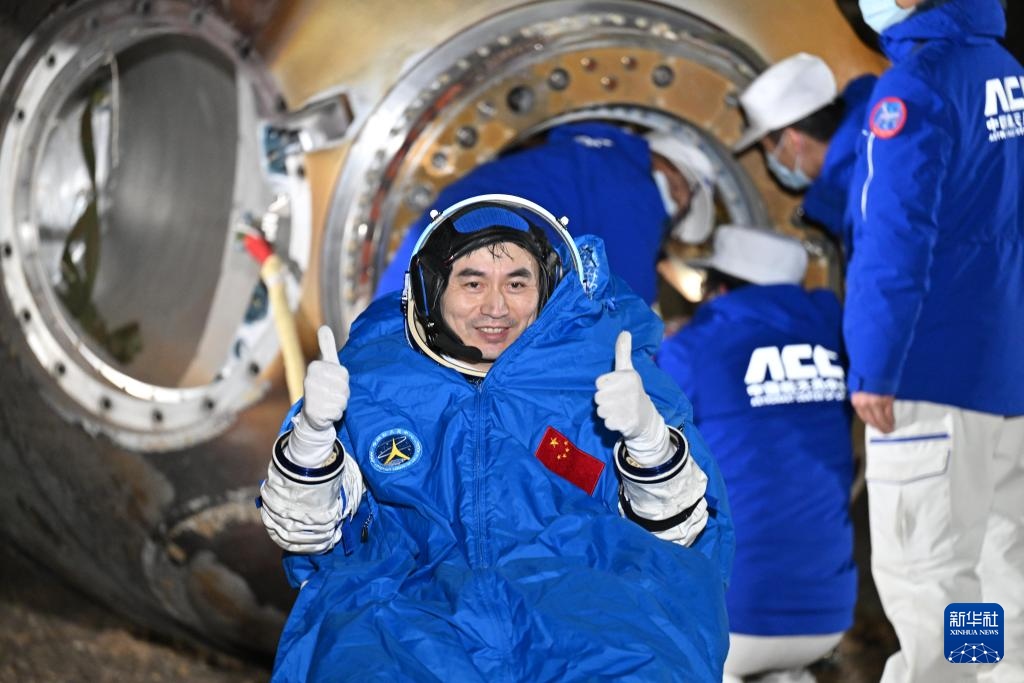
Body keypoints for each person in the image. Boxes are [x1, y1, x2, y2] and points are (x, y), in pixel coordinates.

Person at [258, 194, 734, 681]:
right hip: (409, 618)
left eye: (517, 283)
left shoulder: (601, 372)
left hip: (587, 611)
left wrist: (648, 442)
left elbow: (676, 537)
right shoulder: (375, 383)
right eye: (472, 282)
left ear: (545, 286)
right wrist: (313, 438)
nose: (496, 306)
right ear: (432, 289)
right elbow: (306, 534)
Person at [845, 0, 1024, 681]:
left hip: (931, 378)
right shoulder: (1005, 72)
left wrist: (875, 365)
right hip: (1004, 377)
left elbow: (894, 235)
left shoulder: (916, 86)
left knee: (934, 576)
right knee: (995, 570)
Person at [658, 225, 856, 683]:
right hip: (828, 614)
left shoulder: (692, 350)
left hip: (734, 617)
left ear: (721, 290)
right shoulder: (836, 336)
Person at [374, 121, 717, 304]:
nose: (671, 214)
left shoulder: (583, 155)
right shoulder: (638, 189)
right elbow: (627, 305)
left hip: (428, 249)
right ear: (676, 179)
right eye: (681, 208)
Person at [733, 52, 877, 257]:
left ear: (793, 141)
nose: (771, 163)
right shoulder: (880, 115)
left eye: (769, 151)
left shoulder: (861, 205)